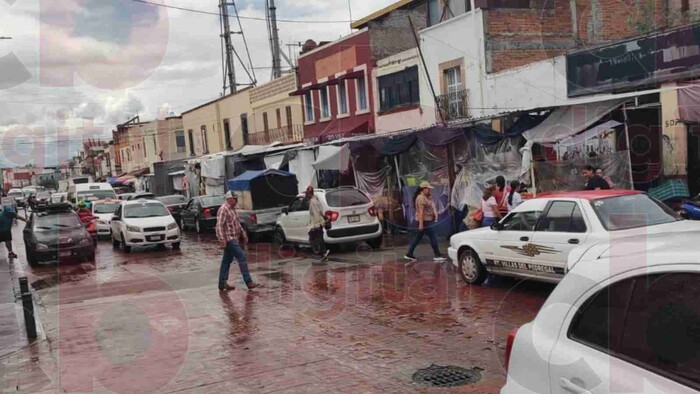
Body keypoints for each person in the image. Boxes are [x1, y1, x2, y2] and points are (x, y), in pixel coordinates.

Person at [215, 191, 259, 291]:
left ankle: (222, 283)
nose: (237, 200)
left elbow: (237, 224)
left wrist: (243, 234)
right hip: (229, 239)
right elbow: (219, 226)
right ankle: (248, 282)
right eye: (235, 199)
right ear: (229, 199)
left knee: (226, 261)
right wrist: (222, 240)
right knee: (242, 257)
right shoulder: (224, 209)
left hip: (234, 238)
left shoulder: (233, 209)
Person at [404, 182, 446, 262]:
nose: (429, 190)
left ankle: (409, 254)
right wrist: (421, 223)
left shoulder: (425, 197)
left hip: (426, 220)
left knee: (417, 238)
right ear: (423, 189)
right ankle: (437, 254)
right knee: (432, 237)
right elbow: (421, 211)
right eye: (428, 188)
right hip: (425, 221)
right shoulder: (421, 198)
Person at [306, 186, 330, 262]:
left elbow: (316, 214)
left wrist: (318, 224)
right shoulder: (316, 200)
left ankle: (323, 252)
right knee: (319, 238)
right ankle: (323, 255)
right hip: (318, 223)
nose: (306, 195)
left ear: (310, 193)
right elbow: (320, 211)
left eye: (307, 194)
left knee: (313, 239)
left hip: (316, 224)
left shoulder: (313, 202)